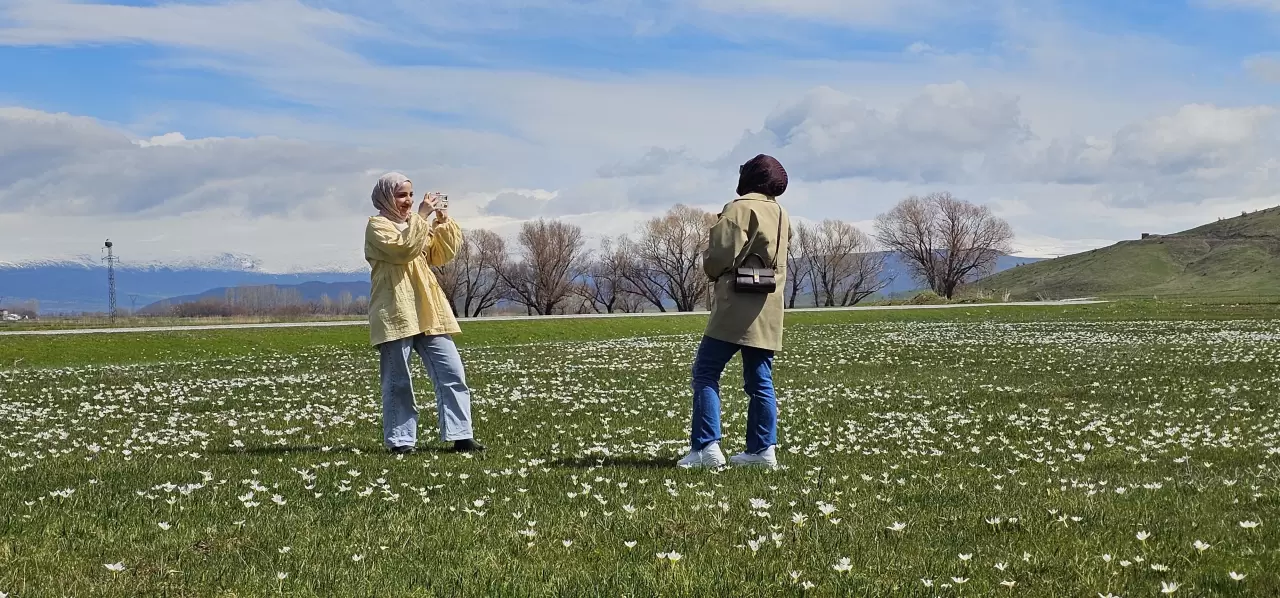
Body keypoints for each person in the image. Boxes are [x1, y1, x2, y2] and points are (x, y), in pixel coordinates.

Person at [678, 154, 790, 469]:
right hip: (768, 307)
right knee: (760, 381)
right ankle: (762, 451)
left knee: (706, 372)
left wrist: (710, 265)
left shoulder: (739, 208)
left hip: (734, 304)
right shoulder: (781, 213)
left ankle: (705, 448)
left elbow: (719, 259)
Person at [364, 172, 485, 454]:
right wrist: (420, 217)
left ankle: (461, 435)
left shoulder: (414, 225)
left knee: (451, 370)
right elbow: (403, 250)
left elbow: (440, 254)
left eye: (410, 194)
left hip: (427, 308)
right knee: (398, 379)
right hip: (395, 309)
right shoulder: (378, 227)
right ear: (385, 197)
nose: (407, 201)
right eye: (401, 195)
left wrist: (442, 221)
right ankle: (401, 441)